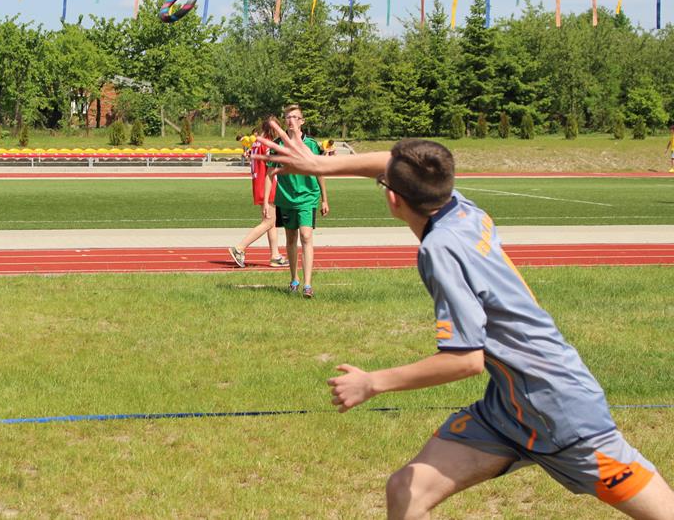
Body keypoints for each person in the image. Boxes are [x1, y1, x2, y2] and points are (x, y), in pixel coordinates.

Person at [260, 130, 674, 519]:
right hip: (507, 412)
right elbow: (395, 165)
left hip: (561, 412)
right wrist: (319, 165)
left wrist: (373, 382)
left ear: (393, 199)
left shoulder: (439, 249)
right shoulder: (461, 208)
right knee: (405, 489)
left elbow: (465, 360)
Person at [266, 106, 328, 298]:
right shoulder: (277, 145)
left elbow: (320, 171)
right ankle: (294, 279)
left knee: (306, 236)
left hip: (308, 197)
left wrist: (325, 199)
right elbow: (269, 174)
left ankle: (308, 284)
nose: (291, 120)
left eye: (295, 117)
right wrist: (266, 202)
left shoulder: (311, 144)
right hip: (286, 198)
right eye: (288, 117)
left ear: (302, 121)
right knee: (291, 239)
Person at [229, 119, 289, 269]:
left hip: (258, 184)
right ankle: (240, 248)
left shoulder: (256, 142)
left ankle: (275, 256)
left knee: (271, 222)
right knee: (268, 222)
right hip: (267, 184)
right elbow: (272, 163)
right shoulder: (267, 143)